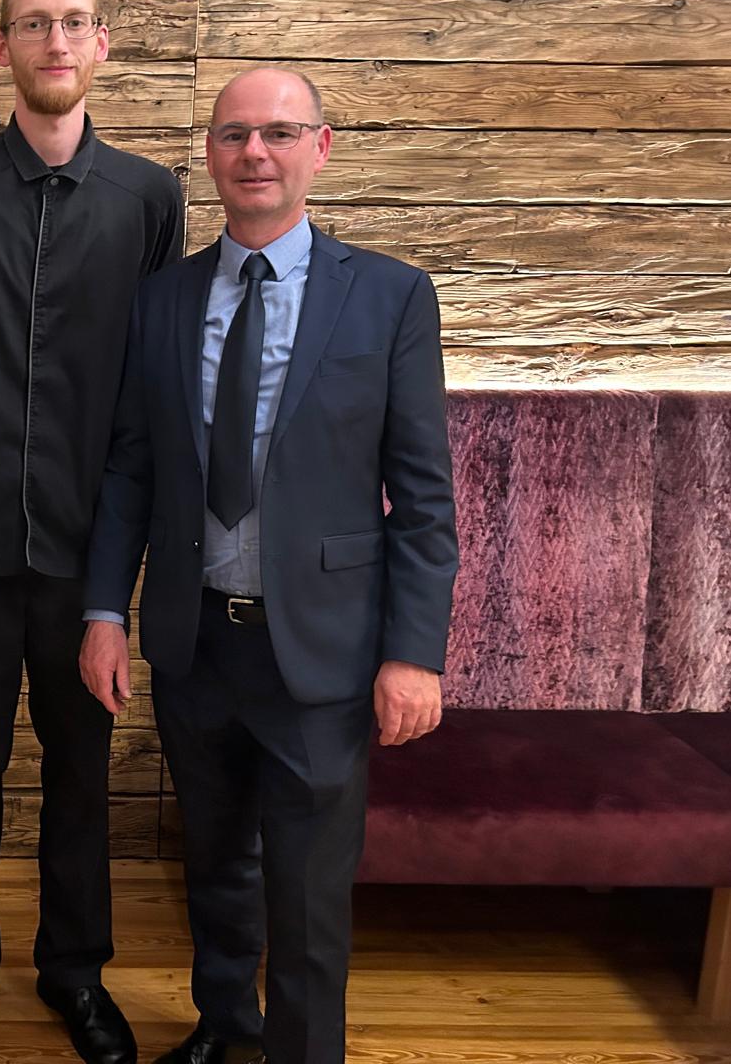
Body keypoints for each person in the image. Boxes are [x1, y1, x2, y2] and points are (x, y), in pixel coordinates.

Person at [80, 67, 458, 1064]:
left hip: (324, 655)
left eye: (279, 132)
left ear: (318, 149)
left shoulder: (389, 297)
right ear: (209, 155)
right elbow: (130, 469)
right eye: (234, 134)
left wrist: (414, 653)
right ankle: (225, 1030)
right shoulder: (161, 301)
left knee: (308, 896)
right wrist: (104, 611)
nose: (255, 152)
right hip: (196, 642)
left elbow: (424, 499)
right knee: (214, 869)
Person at [0, 0, 184, 1064]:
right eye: (32, 24)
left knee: (80, 775)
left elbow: (150, 387)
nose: (54, 42)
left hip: (87, 559)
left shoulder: (149, 197)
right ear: (1, 45)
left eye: (73, 23)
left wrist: (130, 552)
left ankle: (76, 973)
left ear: (100, 43)